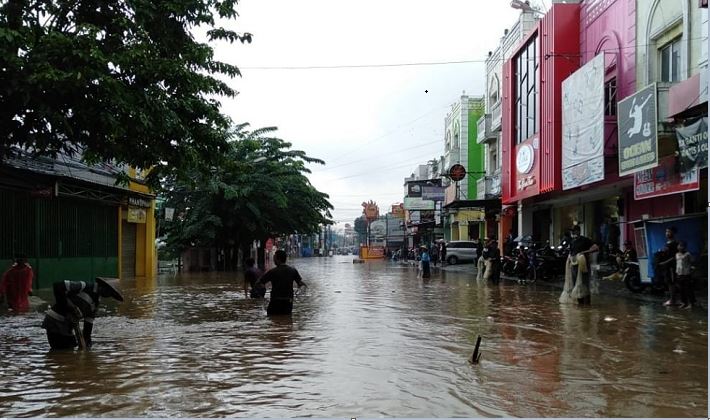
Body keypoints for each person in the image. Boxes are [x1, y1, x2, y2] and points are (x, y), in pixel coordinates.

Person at [41, 277, 124, 350]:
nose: (108, 295)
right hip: (55, 321)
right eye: (109, 291)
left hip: (67, 327)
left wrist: (88, 347)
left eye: (111, 294)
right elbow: (58, 286)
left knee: (70, 348)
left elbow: (87, 328)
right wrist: (72, 308)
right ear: (103, 286)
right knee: (63, 349)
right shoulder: (84, 286)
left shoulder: (95, 304)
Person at [256, 250, 307, 316]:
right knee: (287, 321)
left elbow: (259, 283)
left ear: (278, 259)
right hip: (288, 302)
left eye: (274, 257)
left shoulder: (272, 272)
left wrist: (262, 294)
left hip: (275, 301)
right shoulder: (293, 270)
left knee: (273, 321)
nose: (273, 259)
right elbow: (301, 284)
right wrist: (298, 293)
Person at [560, 225, 599, 305]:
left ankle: (587, 305)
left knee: (584, 284)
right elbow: (571, 252)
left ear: (578, 231)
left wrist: (583, 253)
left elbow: (596, 248)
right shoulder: (572, 241)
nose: (572, 232)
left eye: (574, 231)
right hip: (574, 266)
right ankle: (580, 306)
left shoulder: (585, 240)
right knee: (576, 285)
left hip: (583, 266)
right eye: (571, 231)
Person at [659, 227, 680, 306]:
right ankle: (673, 299)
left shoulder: (675, 243)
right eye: (666, 231)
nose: (667, 233)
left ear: (673, 233)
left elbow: (674, 257)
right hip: (667, 266)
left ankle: (673, 300)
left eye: (669, 231)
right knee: (669, 282)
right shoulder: (667, 243)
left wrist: (665, 262)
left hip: (672, 266)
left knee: (672, 282)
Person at [675, 241, 695, 310]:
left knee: (688, 289)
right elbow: (677, 264)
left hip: (686, 274)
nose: (680, 247)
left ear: (684, 247)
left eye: (681, 246)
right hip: (679, 274)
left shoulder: (688, 254)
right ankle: (684, 303)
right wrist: (677, 272)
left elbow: (692, 261)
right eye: (679, 246)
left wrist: (691, 269)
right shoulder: (677, 254)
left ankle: (691, 303)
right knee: (681, 290)